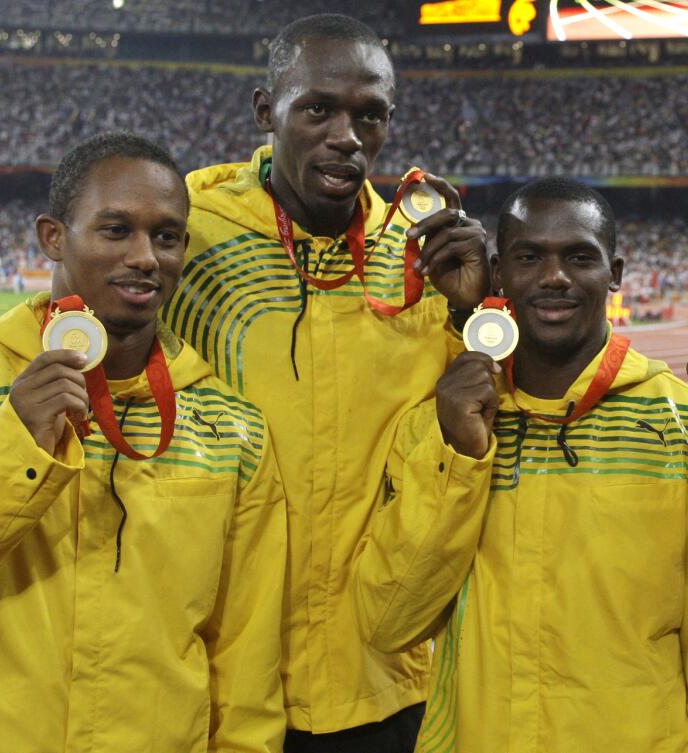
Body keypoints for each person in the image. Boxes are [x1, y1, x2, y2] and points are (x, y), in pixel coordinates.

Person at [352, 177, 688, 753]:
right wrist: (460, 459)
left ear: (616, 273)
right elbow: (388, 622)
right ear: (500, 271)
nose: (554, 276)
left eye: (580, 257)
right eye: (531, 257)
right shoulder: (441, 427)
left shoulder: (687, 428)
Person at [0, 132, 287, 753]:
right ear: (53, 236)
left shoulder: (233, 426)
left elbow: (247, 657)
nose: (144, 257)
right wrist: (19, 449)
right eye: (115, 230)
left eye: (165, 236)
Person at [161, 14, 490, 752]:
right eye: (318, 109)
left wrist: (477, 308)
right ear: (264, 111)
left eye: (368, 114)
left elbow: (477, 431)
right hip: (223, 678)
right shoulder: (190, 232)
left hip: (383, 676)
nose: (346, 135)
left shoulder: (422, 253)